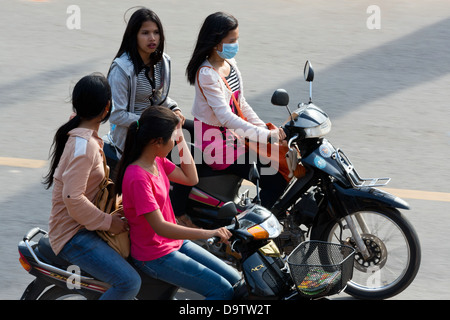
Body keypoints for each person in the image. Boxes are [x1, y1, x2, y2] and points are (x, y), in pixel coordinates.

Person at [115, 106, 242, 300]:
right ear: (157, 142)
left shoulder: (156, 160)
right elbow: (161, 228)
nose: (174, 142)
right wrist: (209, 233)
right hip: (154, 256)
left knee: (236, 280)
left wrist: (181, 138)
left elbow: (191, 178)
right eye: (173, 138)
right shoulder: (138, 177)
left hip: (175, 243)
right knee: (222, 291)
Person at [43, 73, 141, 300]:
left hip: (83, 226)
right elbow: (73, 198)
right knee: (128, 282)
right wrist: (110, 223)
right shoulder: (84, 146)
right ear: (107, 107)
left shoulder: (83, 135)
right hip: (73, 235)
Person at [185, 12, 288, 209]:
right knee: (275, 179)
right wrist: (266, 136)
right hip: (218, 146)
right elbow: (225, 117)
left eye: (237, 39)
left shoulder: (230, 63)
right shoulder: (207, 74)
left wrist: (263, 130)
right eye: (231, 40)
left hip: (236, 137)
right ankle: (252, 227)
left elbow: (241, 104)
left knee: (280, 162)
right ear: (216, 42)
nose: (235, 45)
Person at [104, 7, 185, 176]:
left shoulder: (161, 61)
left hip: (156, 126)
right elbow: (117, 115)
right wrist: (153, 121)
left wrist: (173, 108)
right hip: (133, 133)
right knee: (181, 158)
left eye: (156, 32)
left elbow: (157, 96)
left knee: (192, 131)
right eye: (145, 33)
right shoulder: (121, 69)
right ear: (134, 36)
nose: (152, 38)